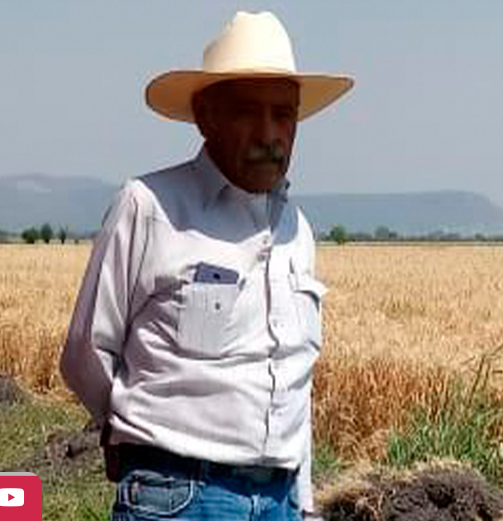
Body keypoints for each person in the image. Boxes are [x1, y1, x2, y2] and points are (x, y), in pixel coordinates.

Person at [60, 11, 353, 520]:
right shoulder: (149, 206)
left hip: (280, 499)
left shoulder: (296, 229)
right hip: (177, 495)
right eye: (246, 112)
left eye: (283, 115)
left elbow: (292, 380)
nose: (269, 134)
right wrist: (131, 429)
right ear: (205, 116)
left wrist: (303, 504)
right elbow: (86, 350)